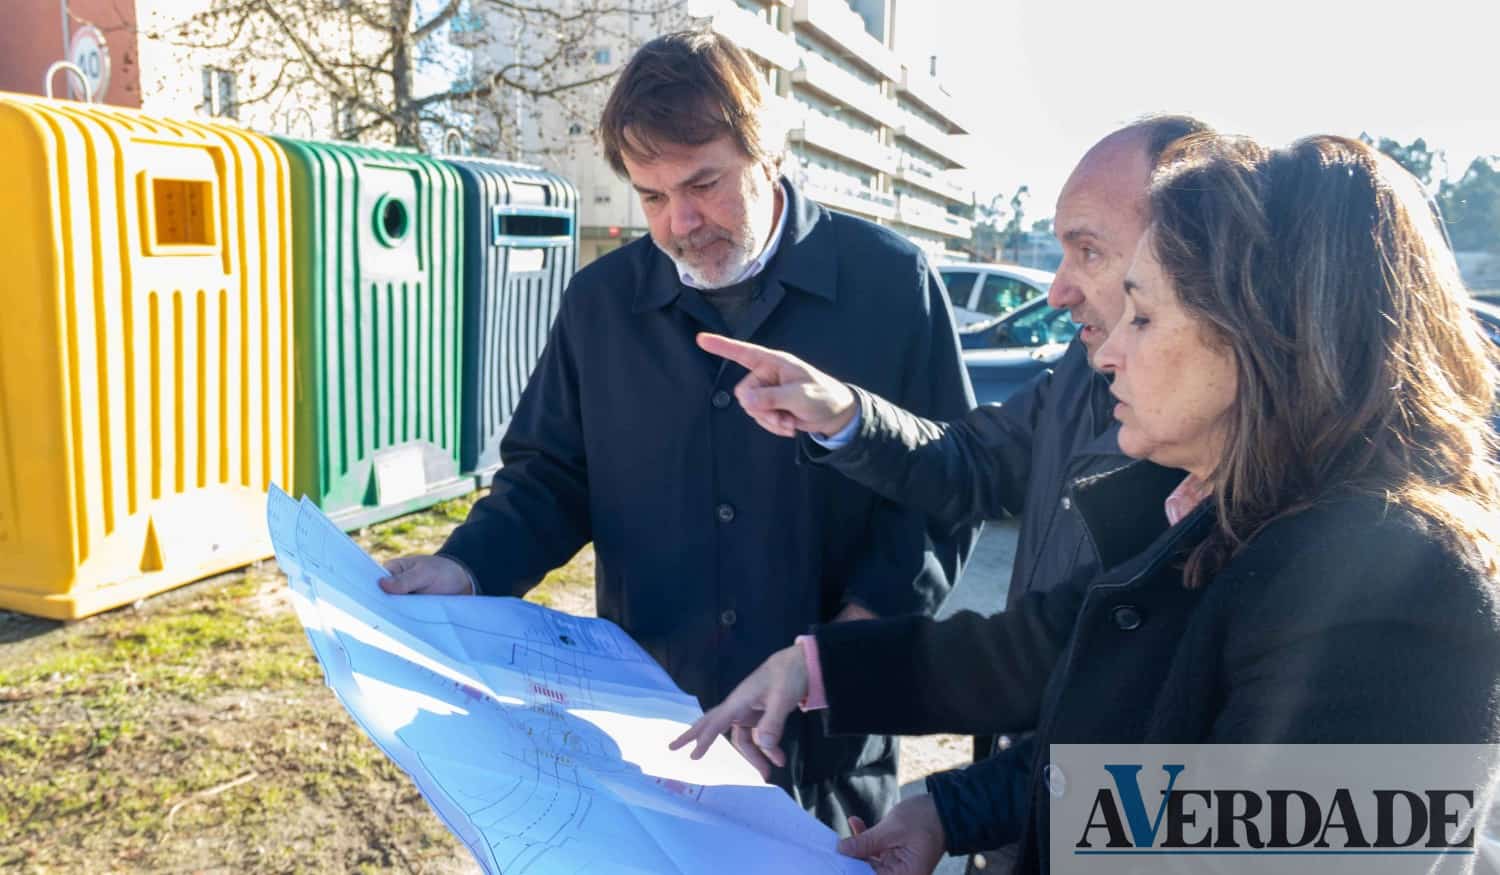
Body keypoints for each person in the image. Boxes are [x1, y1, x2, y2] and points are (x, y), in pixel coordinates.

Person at [674, 133, 1500, 874]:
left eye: (1142, 315)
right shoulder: (1229, 513)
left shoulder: (1398, 589)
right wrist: (944, 806)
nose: (1107, 354)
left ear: (1262, 331)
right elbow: (1143, 766)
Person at [377, 30, 977, 833]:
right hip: (651, 740)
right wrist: (465, 565)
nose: (680, 223)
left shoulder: (893, 284)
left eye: (704, 183)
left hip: (825, 752)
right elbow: (549, 478)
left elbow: (941, 498)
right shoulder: (599, 304)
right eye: (651, 197)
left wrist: (832, 658)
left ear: (769, 153)